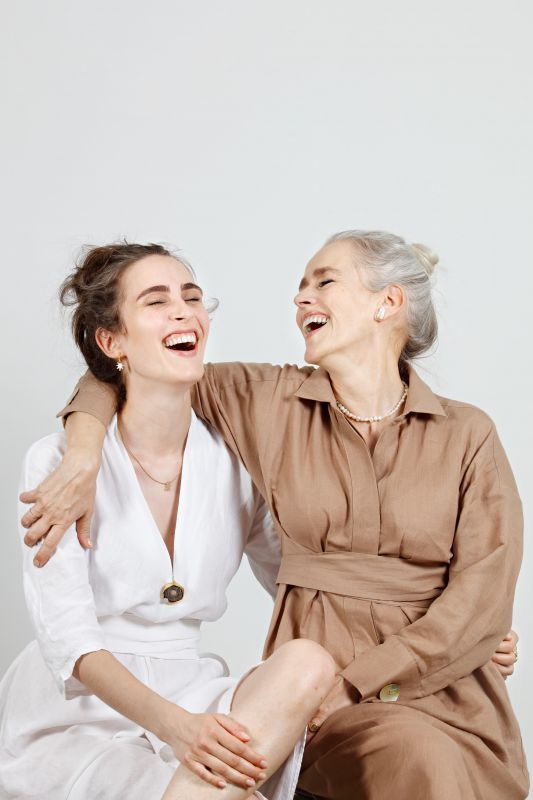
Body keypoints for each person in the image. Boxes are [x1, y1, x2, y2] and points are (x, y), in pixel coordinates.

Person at [21, 231, 527, 799]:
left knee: (443, 761)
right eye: (300, 286)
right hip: (326, 686)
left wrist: (477, 631)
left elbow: (486, 581)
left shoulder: (468, 432)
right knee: (414, 755)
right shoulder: (264, 400)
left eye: (324, 282)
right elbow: (125, 373)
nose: (300, 298)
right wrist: (84, 450)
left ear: (387, 303)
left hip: (443, 681)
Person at [0, 243, 337, 800]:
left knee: (306, 660)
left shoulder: (236, 463)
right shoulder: (59, 463)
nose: (184, 312)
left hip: (194, 690)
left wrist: (450, 632)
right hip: (82, 711)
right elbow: (72, 644)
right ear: (112, 342)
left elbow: (302, 585)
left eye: (193, 297)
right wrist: (175, 729)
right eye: (156, 301)